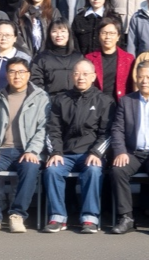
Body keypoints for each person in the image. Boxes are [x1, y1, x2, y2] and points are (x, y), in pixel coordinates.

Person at [0, 57, 48, 233]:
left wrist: (32, 150)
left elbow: (43, 128)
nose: (17, 76)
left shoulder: (41, 98)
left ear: (28, 74)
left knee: (31, 167)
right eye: (12, 72)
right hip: (1, 150)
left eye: (21, 72)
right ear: (6, 75)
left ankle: (17, 215)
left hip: (26, 150)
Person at [41, 60, 112, 234]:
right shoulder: (60, 100)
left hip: (90, 154)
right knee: (52, 170)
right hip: (65, 154)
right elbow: (53, 130)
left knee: (93, 170)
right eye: (77, 73)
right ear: (72, 76)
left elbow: (107, 133)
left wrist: (96, 153)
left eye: (86, 74)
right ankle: (58, 217)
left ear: (93, 77)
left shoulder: (104, 101)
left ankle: (89, 218)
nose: (81, 78)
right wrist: (56, 152)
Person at [84, 17, 135, 99]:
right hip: (96, 101)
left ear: (118, 36)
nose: (107, 37)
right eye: (104, 33)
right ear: (99, 35)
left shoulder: (128, 59)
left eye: (112, 33)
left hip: (121, 101)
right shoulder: (89, 59)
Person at [30, 20, 82, 95]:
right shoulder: (41, 58)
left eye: (63, 31)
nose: (59, 35)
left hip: (74, 100)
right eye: (54, 31)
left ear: (69, 34)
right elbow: (35, 83)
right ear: (49, 34)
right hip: (50, 99)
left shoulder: (78, 57)